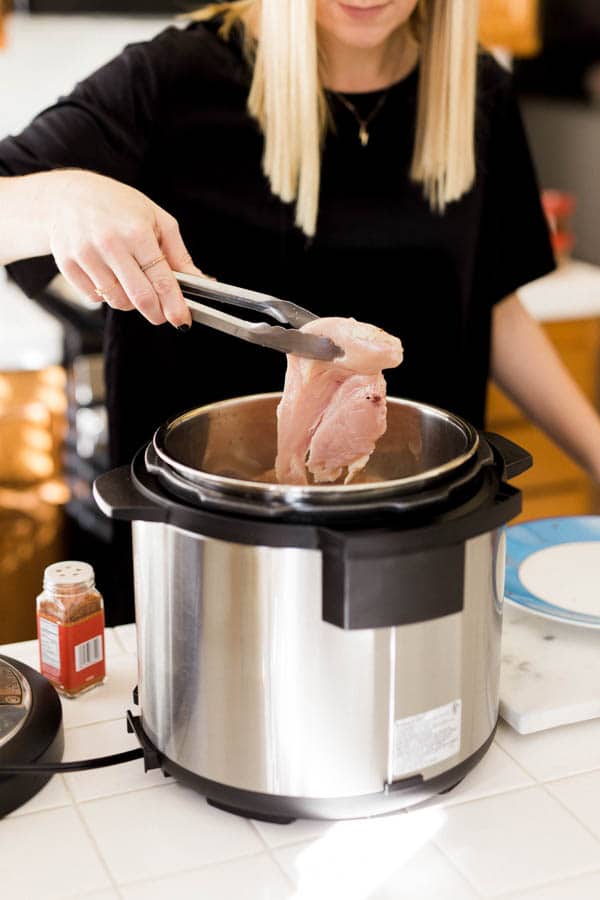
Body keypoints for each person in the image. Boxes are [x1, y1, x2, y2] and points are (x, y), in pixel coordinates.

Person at [2, 0, 600, 622]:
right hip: (211, 561)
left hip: (418, 548)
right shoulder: (170, 77)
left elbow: (492, 304)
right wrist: (62, 197)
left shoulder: (478, 92)